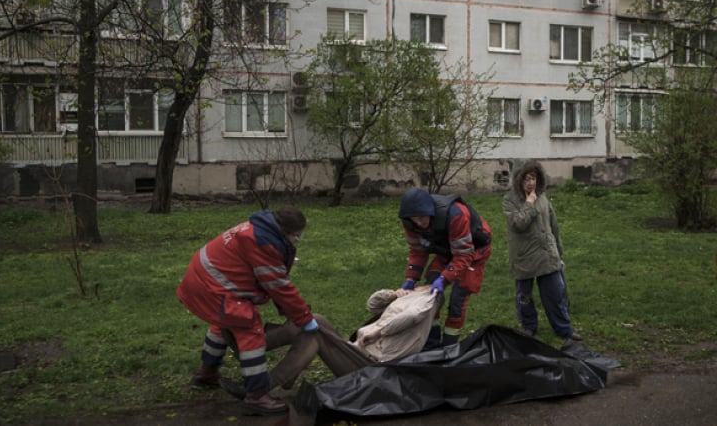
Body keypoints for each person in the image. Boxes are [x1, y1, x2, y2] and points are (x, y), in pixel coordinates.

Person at [176, 206, 318, 415]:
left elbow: (272, 279)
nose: (298, 240)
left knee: (223, 322)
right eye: (297, 236)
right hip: (212, 286)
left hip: (201, 281)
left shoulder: (258, 229)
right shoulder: (263, 243)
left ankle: (207, 371)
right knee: (249, 328)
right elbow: (279, 286)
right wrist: (304, 317)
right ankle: (257, 394)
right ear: (286, 232)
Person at [221, 285, 443, 399]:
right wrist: (393, 295)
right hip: (360, 355)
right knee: (313, 321)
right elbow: (372, 305)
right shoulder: (411, 298)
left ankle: (257, 371)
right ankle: (257, 355)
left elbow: (413, 315)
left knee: (313, 329)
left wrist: (379, 332)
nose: (416, 285)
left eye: (420, 286)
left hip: (372, 369)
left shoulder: (429, 300)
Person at [397, 187, 493, 346]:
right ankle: (431, 340)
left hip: (474, 250)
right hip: (446, 248)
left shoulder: (456, 215)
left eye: (422, 217)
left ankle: (449, 345)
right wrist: (411, 278)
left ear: (430, 211)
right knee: (429, 292)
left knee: (458, 298)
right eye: (415, 219)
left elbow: (463, 255)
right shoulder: (410, 222)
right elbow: (417, 251)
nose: (419, 223)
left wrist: (445, 277)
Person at [502, 160, 582, 341]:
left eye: (534, 178)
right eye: (527, 179)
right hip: (524, 257)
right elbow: (518, 224)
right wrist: (529, 204)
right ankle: (529, 327)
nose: (531, 183)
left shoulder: (542, 197)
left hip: (547, 254)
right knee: (525, 297)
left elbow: (554, 226)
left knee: (555, 294)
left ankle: (563, 329)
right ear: (518, 179)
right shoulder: (509, 201)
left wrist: (559, 254)